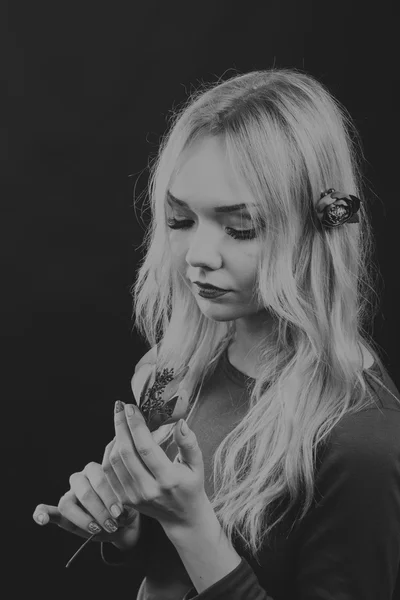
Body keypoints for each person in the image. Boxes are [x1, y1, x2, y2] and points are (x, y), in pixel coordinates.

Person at [33, 67, 400, 600]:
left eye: (241, 228)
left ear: (317, 233)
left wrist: (191, 524)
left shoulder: (363, 443)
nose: (199, 256)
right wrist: (125, 525)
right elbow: (167, 571)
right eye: (181, 220)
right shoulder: (172, 371)